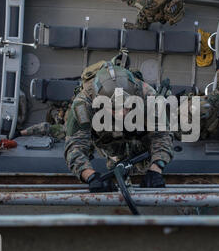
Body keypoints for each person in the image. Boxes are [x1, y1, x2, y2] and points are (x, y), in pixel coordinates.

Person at [64, 54, 174, 192]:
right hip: (106, 135)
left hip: (137, 131)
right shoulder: (83, 103)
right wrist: (90, 176)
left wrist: (156, 170)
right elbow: (75, 146)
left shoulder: (147, 94)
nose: (122, 113)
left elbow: (162, 134)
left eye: (126, 107)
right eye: (115, 109)